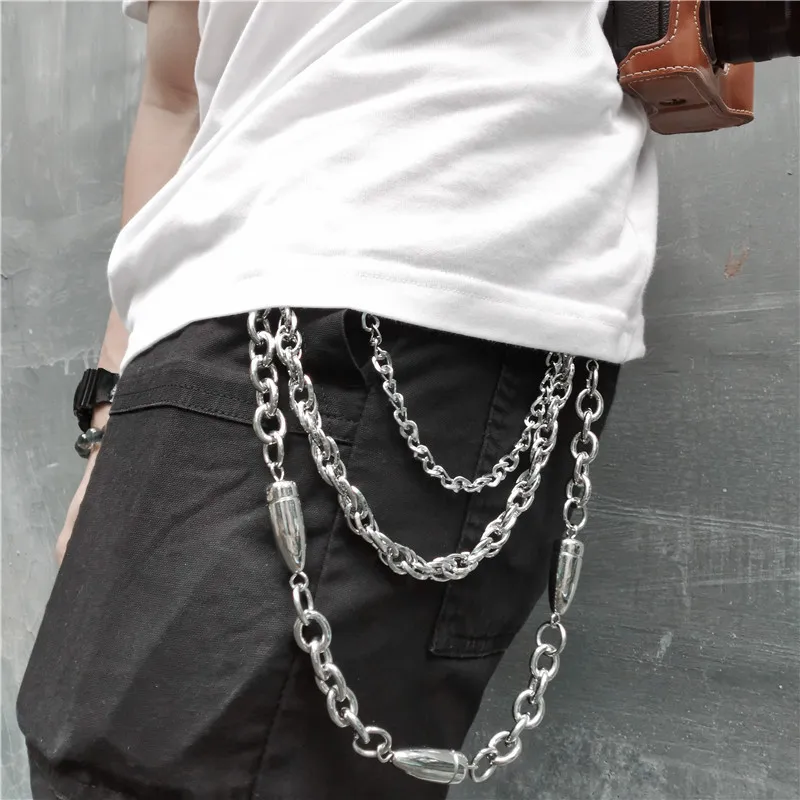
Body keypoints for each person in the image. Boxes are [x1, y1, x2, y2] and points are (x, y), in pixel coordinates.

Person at [17, 1, 657, 798]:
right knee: (78, 756)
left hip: (418, 290)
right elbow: (173, 94)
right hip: (193, 322)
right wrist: (111, 407)